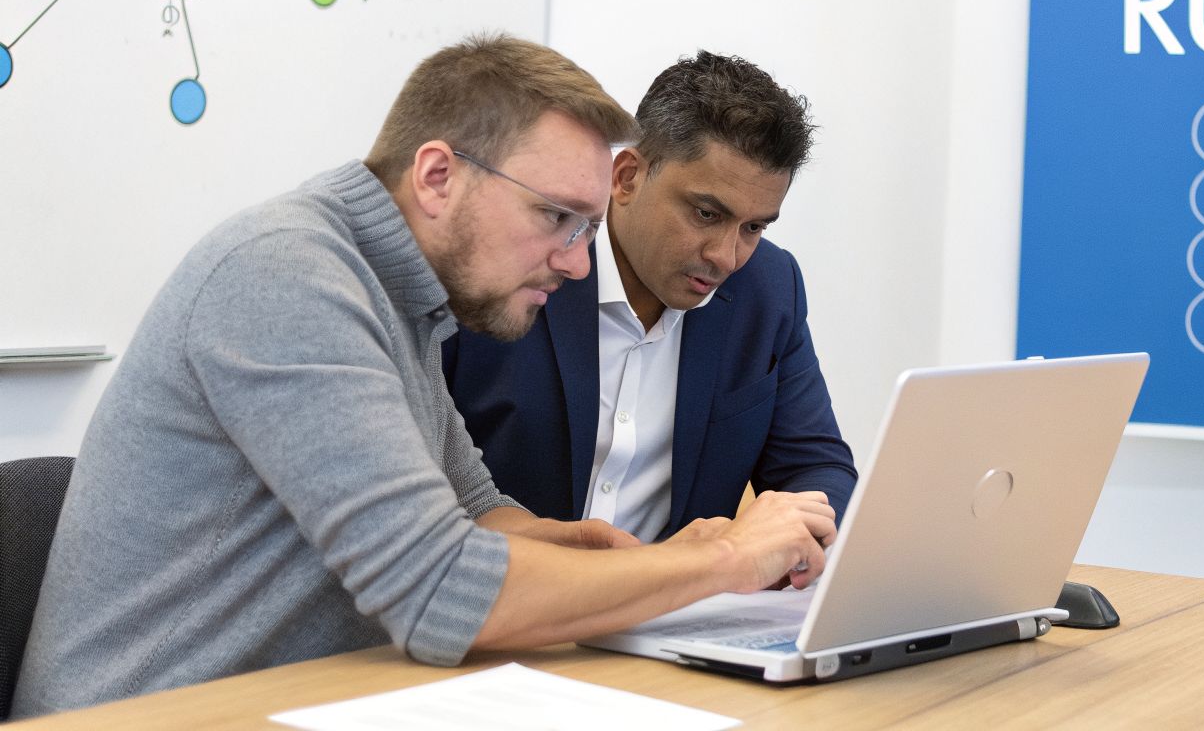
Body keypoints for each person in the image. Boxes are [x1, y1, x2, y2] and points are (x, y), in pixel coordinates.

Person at [13, 35, 835, 718]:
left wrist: (620, 549)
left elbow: (479, 517)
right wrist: (722, 565)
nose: (578, 263)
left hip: (302, 699)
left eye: (587, 228)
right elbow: (442, 588)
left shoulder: (409, 299)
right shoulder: (286, 275)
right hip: (154, 712)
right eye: (555, 217)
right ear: (438, 177)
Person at [443, 51, 857, 544]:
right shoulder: (510, 265)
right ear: (627, 178)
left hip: (676, 612)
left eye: (753, 228)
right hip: (507, 601)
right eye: (706, 214)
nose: (726, 256)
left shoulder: (768, 288)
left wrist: (800, 531)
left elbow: (817, 466)